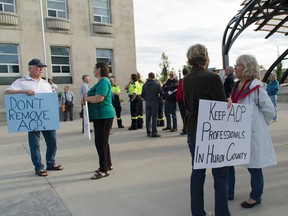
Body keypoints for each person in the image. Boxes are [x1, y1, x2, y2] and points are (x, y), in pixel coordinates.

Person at [183, 44, 231, 216]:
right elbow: (220, 107)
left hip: (193, 128)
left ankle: (197, 212)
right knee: (220, 174)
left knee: (197, 172)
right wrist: (228, 103)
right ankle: (222, 213)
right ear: (205, 57)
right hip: (212, 130)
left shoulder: (187, 79)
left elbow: (186, 104)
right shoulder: (212, 77)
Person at [229, 54, 276, 208]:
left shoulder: (256, 87)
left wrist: (260, 124)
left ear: (247, 67)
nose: (235, 67)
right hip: (239, 132)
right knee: (234, 161)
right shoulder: (236, 85)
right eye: (235, 65)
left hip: (253, 132)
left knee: (254, 165)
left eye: (238, 65)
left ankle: (256, 196)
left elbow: (269, 110)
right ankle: (229, 191)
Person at [5, 58, 63, 177]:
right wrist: (23, 91)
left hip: (46, 118)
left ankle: (51, 163)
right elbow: (7, 92)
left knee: (52, 142)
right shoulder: (21, 81)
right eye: (38, 66)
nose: (41, 69)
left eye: (42, 67)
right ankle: (39, 167)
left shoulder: (46, 83)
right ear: (30, 68)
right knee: (34, 144)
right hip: (32, 119)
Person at [83, 62, 114, 180]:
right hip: (100, 116)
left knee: (100, 142)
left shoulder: (104, 82)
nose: (93, 70)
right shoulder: (101, 82)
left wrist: (86, 98)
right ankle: (108, 164)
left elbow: (98, 98)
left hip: (103, 116)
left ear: (99, 69)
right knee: (103, 142)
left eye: (94, 68)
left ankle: (103, 169)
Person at [141, 72, 164, 137]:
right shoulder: (157, 84)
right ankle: (154, 132)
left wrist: (146, 98)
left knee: (148, 118)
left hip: (147, 102)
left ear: (148, 77)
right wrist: (159, 98)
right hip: (154, 102)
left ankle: (148, 132)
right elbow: (161, 94)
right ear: (154, 77)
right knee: (154, 118)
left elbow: (142, 95)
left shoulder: (144, 85)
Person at [176, 67, 189, 135]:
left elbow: (179, 92)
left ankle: (185, 129)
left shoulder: (182, 81)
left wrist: (178, 99)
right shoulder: (191, 80)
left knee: (184, 115)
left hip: (183, 101)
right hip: (190, 100)